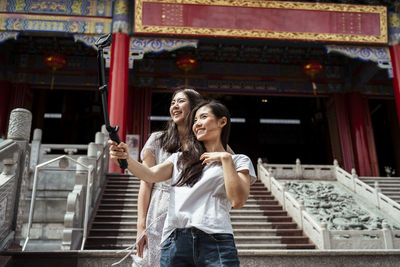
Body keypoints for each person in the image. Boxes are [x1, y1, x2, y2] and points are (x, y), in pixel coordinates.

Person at [109, 100, 256, 267]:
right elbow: (149, 175)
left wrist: (225, 160)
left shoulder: (239, 161)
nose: (197, 124)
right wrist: (126, 158)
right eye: (194, 121)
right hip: (176, 241)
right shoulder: (180, 159)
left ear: (222, 122)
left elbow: (238, 201)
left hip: (216, 240)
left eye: (203, 117)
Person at [135, 88, 203, 266]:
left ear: (195, 107)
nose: (175, 106)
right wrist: (141, 225)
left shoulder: (205, 143)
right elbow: (146, 183)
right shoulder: (157, 140)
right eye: (173, 102)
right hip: (160, 209)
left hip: (192, 212)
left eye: (181, 101)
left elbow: (233, 162)